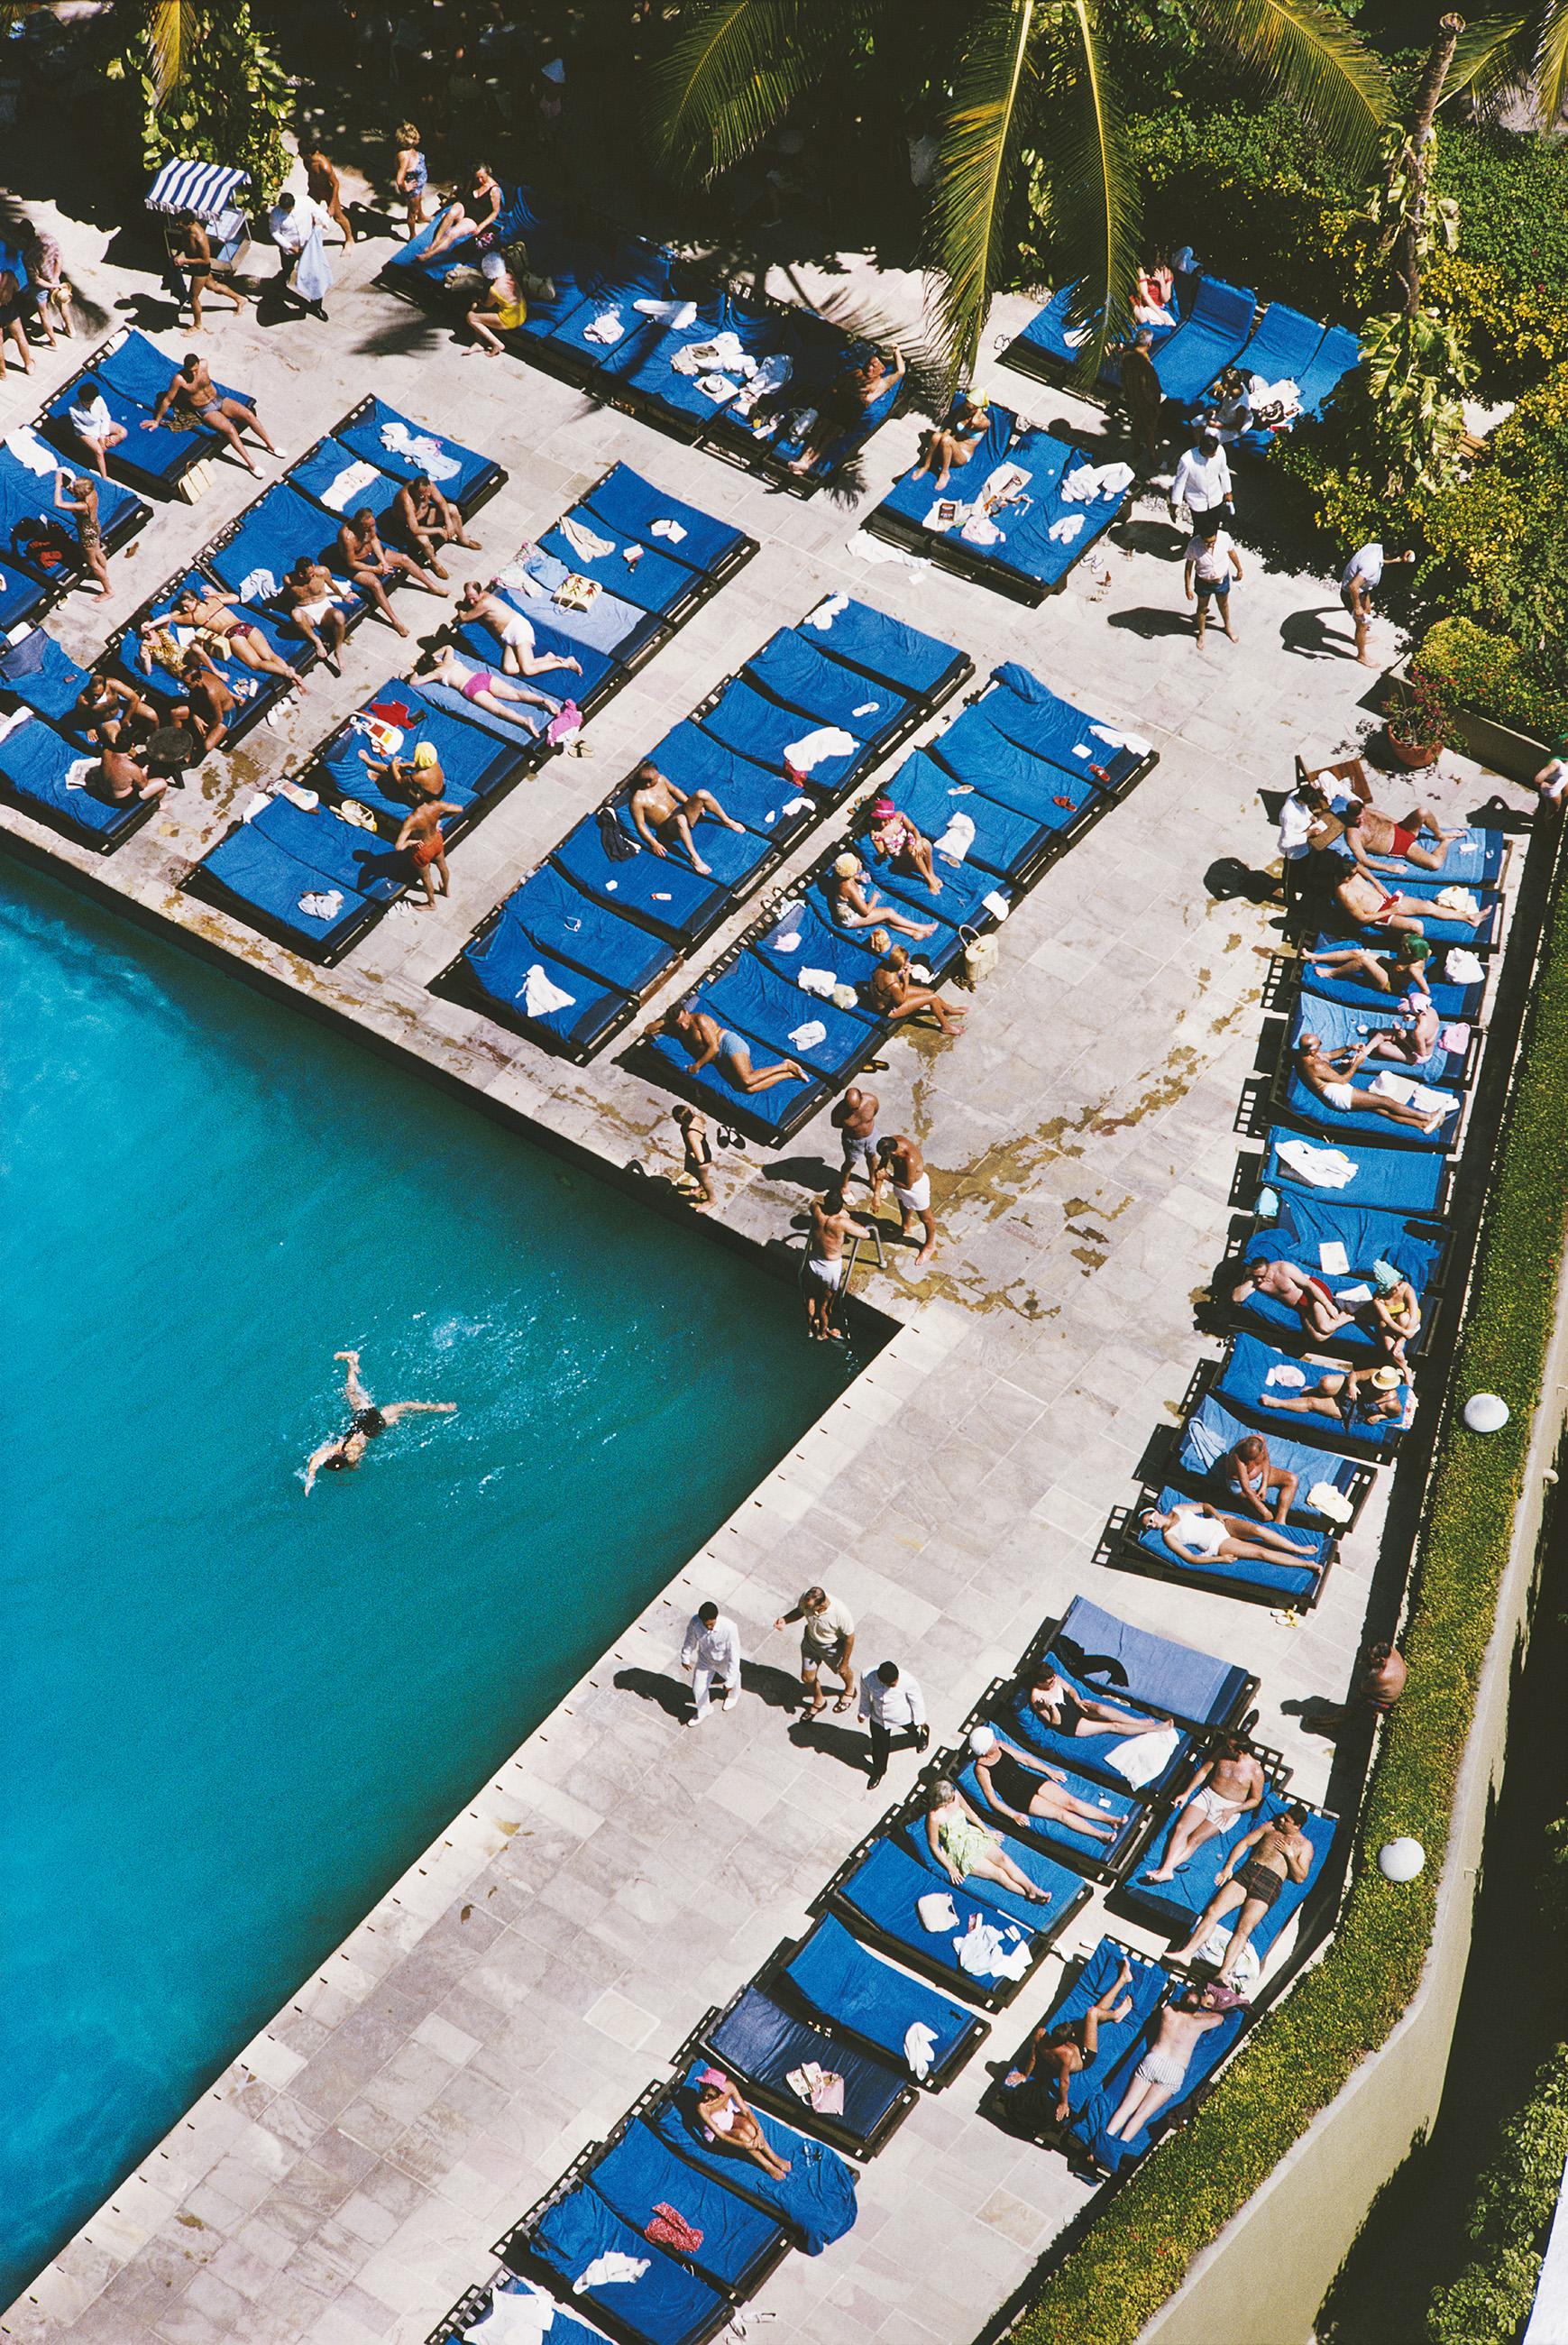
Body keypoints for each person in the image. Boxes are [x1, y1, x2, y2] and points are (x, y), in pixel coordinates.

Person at [1171, 1807, 1315, 1981]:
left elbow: (1300, 1877)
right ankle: (1186, 1954)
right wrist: (1229, 1867)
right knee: (1213, 1911)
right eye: (1282, 1817)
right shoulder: (1270, 1827)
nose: (1281, 1821)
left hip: (1270, 1882)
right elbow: (1245, 1843)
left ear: (1297, 1826)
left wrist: (1290, 1855)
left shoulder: (1305, 1846)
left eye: (1287, 1821)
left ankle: (1223, 1973)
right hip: (1249, 1872)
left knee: (1244, 1929)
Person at [303, 1348, 456, 1493]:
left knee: (398, 1411)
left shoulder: (351, 1461)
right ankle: (351, 1359)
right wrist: (310, 1477)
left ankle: (353, 1361)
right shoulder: (339, 1448)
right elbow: (316, 1459)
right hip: (364, 1418)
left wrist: (337, 1479)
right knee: (352, 1389)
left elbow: (345, 1464)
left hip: (376, 1428)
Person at [1003, 1958, 1135, 2119]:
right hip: (1086, 2056)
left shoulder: (1040, 2035)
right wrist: (1063, 2103)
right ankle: (1116, 2014)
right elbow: (1064, 2082)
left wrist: (1025, 2074)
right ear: (1068, 2040)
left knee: (1093, 2014)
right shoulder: (1066, 2054)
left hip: (1074, 2049)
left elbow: (1033, 2057)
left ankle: (1123, 1980)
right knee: (1092, 2013)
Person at [1103, 1984, 1237, 2140]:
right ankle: (1113, 2149)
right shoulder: (1198, 2024)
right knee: (1141, 2115)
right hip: (1174, 2069)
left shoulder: (1168, 2012)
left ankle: (1101, 2142)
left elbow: (1175, 2003)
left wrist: (1187, 2007)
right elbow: (1219, 2018)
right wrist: (1200, 2009)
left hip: (1154, 2059)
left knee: (1126, 2107)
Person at [967, 1724, 1122, 1846]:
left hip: (1030, 1779)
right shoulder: (981, 1769)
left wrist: (1049, 1771)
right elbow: (992, 1799)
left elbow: (1026, 1759)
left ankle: (1111, 1820)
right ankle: (1101, 1835)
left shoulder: (1001, 1745)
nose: (995, 1740)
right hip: (1018, 1797)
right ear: (985, 1750)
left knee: (1071, 1802)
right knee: (1061, 1814)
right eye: (991, 1741)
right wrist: (1013, 1815)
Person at [1142, 1739, 1264, 1882]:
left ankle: (1165, 1870)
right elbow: (1204, 1771)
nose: (1225, 1748)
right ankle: (1166, 1870)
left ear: (1240, 1752)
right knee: (1181, 1828)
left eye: (1229, 1747)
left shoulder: (1256, 1771)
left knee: (1195, 1839)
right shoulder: (1222, 1753)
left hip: (1229, 1806)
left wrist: (1233, 1810)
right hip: (1208, 1795)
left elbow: (1255, 1800)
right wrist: (1186, 1793)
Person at [144, 354, 280, 478]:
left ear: (199, 364)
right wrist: (157, 420)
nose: (193, 373)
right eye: (190, 371)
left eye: (195, 370)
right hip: (205, 409)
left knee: (249, 415)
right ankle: (251, 465)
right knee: (230, 430)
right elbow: (167, 400)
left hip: (218, 399)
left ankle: (271, 446)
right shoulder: (179, 379)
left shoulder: (204, 364)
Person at [1295, 1031, 1456, 1135]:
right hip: (1341, 1094)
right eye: (1318, 1045)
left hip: (1338, 1093)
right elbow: (1343, 1080)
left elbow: (1328, 1055)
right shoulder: (1315, 1065)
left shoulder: (1307, 1056)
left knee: (1381, 1109)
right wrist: (1356, 1064)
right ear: (1311, 1051)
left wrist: (1349, 1047)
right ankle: (1427, 1117)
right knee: (1385, 1101)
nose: (1321, 1046)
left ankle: (1421, 1126)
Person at [645, 1003, 807, 1103]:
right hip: (720, 1059)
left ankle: (785, 1065)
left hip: (728, 1044)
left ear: (687, 1013)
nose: (683, 1026)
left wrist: (697, 1066)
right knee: (746, 1088)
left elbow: (714, 1048)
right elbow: (648, 1029)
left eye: (684, 1021)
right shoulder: (676, 1026)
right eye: (679, 1024)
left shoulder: (700, 1020)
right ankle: (789, 1074)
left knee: (747, 1078)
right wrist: (667, 1022)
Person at [924, 1780, 1053, 1903]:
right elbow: (933, 1845)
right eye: (949, 1800)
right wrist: (951, 1868)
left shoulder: (956, 1796)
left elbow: (971, 1814)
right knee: (998, 1874)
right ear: (942, 1803)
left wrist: (987, 1831)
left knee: (1004, 1860)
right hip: (959, 1851)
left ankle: (1032, 1889)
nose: (953, 1800)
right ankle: (1029, 1896)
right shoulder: (934, 1817)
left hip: (972, 1836)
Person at [788, 347, 905, 476]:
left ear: (882, 370)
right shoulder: (855, 373)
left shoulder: (880, 384)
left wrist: (897, 351)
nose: (869, 368)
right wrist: (822, 403)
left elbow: (901, 371)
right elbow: (835, 386)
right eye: (869, 364)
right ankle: (803, 459)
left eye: (874, 366)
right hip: (838, 401)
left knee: (829, 437)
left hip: (852, 409)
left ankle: (809, 463)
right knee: (817, 431)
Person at [624, 759, 749, 876]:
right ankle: (695, 858)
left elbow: (675, 790)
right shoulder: (638, 800)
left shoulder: (661, 780)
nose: (659, 776)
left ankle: (727, 821)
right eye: (656, 777)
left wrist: (694, 803)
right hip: (670, 826)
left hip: (681, 812)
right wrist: (654, 843)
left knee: (702, 793)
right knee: (680, 820)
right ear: (647, 783)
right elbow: (640, 824)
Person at [170, 587, 306, 689]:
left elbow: (174, 618)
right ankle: (291, 675)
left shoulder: (194, 617)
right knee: (270, 655)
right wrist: (215, 593)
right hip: (244, 626)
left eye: (187, 606)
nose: (186, 610)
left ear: (195, 600)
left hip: (232, 634)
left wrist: (177, 610)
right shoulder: (213, 600)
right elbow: (236, 598)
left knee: (255, 664)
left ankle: (288, 674)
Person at [1140, 1500, 1323, 1575]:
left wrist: (1219, 1516)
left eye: (1151, 1519)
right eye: (1148, 1525)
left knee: (1259, 1531)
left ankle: (1299, 1549)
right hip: (1217, 1543)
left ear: (1156, 1512)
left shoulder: (1178, 1508)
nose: (1151, 1524)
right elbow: (1191, 1558)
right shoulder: (1169, 1536)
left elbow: (1204, 1506)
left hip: (1222, 1525)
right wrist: (1220, 1558)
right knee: (1262, 1553)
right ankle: (1307, 1564)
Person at [338, 508, 444, 633]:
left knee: (405, 559)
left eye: (373, 524)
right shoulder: (348, 537)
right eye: (369, 526)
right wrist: (375, 569)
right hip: (357, 564)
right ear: (361, 525)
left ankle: (432, 586)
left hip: (372, 554)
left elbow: (374, 539)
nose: (372, 527)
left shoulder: (369, 524)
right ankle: (395, 620)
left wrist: (383, 561)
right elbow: (351, 563)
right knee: (376, 585)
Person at [456, 582, 582, 681]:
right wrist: (468, 601)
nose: (472, 602)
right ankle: (548, 658)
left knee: (528, 669)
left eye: (474, 598)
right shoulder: (481, 597)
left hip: (518, 629)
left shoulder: (485, 602)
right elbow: (470, 603)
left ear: (480, 592)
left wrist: (460, 608)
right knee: (509, 669)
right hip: (508, 636)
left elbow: (464, 617)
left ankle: (566, 663)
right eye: (469, 599)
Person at [421, 645, 559, 729]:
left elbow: (414, 682)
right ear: (436, 661)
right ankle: (543, 700)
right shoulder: (448, 660)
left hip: (470, 688)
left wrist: (416, 671)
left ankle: (524, 721)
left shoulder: (436, 673)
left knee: (499, 710)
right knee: (516, 693)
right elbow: (448, 647)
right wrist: (434, 654)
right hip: (480, 677)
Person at [1265, 1359, 1413, 1435]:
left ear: (1387, 1390)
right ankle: (1317, 1390)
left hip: (1353, 1408)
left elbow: (1396, 1415)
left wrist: (1379, 1417)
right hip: (1349, 1390)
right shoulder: (1374, 1373)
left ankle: (1278, 1403)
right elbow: (1355, 1375)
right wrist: (1352, 1386)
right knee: (1325, 1383)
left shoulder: (1392, 1404)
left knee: (1313, 1403)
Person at [774, 1585, 857, 1715]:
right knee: (807, 1678)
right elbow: (799, 1611)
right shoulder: (807, 1597)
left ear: (822, 1606)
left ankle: (850, 1690)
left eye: (809, 1608)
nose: (806, 1609)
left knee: (843, 1671)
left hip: (831, 1647)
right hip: (810, 1643)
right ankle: (819, 1701)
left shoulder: (840, 1613)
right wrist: (785, 1620)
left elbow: (850, 1638)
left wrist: (845, 1663)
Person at [1025, 1672, 1170, 1744]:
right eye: (1049, 1683)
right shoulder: (1037, 1698)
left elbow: (1069, 1689)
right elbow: (1055, 1722)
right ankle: (1155, 1728)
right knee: (1112, 1726)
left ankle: (1137, 1722)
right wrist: (1051, 1707)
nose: (1053, 1683)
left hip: (1076, 1708)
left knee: (1101, 1709)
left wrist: (1077, 1700)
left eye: (1053, 1680)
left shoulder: (1054, 1678)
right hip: (1071, 1725)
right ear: (1039, 1683)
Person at [802, 1185, 869, 1340]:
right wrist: (845, 1216)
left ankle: (811, 1328)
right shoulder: (841, 1222)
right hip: (830, 1266)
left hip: (814, 1261)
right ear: (840, 1207)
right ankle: (822, 1333)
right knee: (824, 1305)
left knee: (810, 1297)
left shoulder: (817, 1211)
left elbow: (813, 1201)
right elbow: (865, 1234)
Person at [1338, 795, 1467, 875]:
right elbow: (1363, 860)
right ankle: (1446, 842)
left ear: (1364, 810)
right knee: (1435, 864)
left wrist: (1399, 824)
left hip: (1400, 828)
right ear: (1350, 817)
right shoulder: (1352, 834)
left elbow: (1382, 816)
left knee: (1423, 811)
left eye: (1362, 817)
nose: (1361, 821)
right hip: (1400, 847)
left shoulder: (1367, 812)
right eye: (1356, 820)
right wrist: (1389, 868)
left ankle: (1440, 835)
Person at [1235, 1256, 1353, 1343]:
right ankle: (1345, 1317)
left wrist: (1328, 1305)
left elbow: (1309, 1285)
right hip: (1301, 1306)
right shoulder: (1256, 1282)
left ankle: (1350, 1315)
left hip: (1312, 1295)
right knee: (1319, 1337)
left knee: (1324, 1327)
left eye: (1262, 1276)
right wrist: (1251, 1280)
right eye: (1257, 1276)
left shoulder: (1284, 1268)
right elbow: (1236, 1297)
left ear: (1269, 1268)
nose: (1260, 1280)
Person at [694, 2073, 791, 2179]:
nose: (705, 2097)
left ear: (721, 2092)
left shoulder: (729, 2087)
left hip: (730, 2119)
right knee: (741, 2135)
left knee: (749, 2127)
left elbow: (746, 2111)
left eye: (711, 2096)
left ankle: (775, 2158)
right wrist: (745, 2146)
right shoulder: (702, 2107)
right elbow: (722, 2135)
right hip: (716, 2137)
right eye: (703, 2091)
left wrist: (759, 2131)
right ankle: (767, 2166)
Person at [826, 852, 938, 943]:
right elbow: (865, 912)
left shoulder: (843, 877)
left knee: (883, 919)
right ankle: (921, 927)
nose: (860, 861)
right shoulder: (849, 888)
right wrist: (874, 898)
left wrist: (859, 877)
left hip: (850, 911)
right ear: (852, 870)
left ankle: (914, 934)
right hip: (850, 919)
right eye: (857, 862)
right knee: (888, 913)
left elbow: (851, 877)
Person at [1340, 543, 1415, 666]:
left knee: (1368, 612)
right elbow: (1353, 586)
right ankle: (1361, 656)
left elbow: (1383, 560)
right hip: (1352, 594)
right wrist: (1357, 607)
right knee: (1362, 625)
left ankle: (1360, 639)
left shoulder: (1375, 547)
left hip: (1363, 590)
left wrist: (1400, 559)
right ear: (1387, 554)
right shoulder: (1371, 566)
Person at [168, 210, 245, 327]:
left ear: (190, 223)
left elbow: (206, 260)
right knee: (213, 286)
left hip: (201, 268)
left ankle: (197, 325)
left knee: (193, 298)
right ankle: (240, 299)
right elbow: (184, 244)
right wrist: (179, 254)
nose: (178, 225)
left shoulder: (199, 237)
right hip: (194, 265)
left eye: (181, 224)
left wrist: (185, 261)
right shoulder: (186, 229)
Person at [866, 946, 966, 1036]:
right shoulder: (893, 984)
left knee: (928, 992)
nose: (909, 963)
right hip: (889, 1009)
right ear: (901, 966)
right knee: (932, 998)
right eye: (906, 962)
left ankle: (948, 1010)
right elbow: (901, 1001)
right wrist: (906, 981)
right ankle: (946, 1027)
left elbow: (880, 983)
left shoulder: (883, 967)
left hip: (886, 995)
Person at [871, 1133, 939, 1266]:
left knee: (926, 1218)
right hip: (899, 1182)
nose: (886, 1159)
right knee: (903, 1204)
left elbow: (908, 1185)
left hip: (915, 1187)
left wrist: (887, 1177)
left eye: (888, 1157)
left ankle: (930, 1245)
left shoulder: (909, 1159)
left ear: (894, 1153)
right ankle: (905, 1227)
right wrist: (876, 1195)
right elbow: (881, 1168)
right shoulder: (891, 1143)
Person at [859, 1659, 928, 1789]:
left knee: (916, 1729)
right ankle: (879, 1771)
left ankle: (922, 1736)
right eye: (892, 1684)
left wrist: (920, 1720)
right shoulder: (867, 1676)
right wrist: (863, 1712)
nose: (896, 1683)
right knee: (879, 1748)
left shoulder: (907, 1679)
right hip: (879, 1718)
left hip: (901, 1714)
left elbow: (916, 1699)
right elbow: (865, 1695)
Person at [395, 475, 480, 576]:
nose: (427, 495)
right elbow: (415, 529)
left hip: (426, 516)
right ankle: (434, 563)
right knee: (424, 541)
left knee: (453, 509)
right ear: (415, 490)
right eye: (422, 494)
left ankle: (462, 539)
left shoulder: (429, 486)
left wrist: (448, 521)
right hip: (409, 526)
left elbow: (441, 502)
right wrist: (438, 530)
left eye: (427, 491)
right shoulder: (407, 500)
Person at [1302, 933, 1435, 997]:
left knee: (1364, 961)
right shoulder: (1425, 951)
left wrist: (1411, 1001)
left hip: (1389, 983)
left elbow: (1426, 991)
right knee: (1357, 953)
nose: (1399, 948)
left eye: (1402, 947)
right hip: (1390, 965)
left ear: (1409, 953)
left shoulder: (1413, 969)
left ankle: (1331, 973)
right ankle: (1316, 957)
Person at [910, 385, 989, 491]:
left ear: (978, 409)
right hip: (949, 448)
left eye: (970, 409)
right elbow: (951, 428)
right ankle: (926, 466)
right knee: (936, 436)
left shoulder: (985, 422)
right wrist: (943, 435)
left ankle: (945, 473)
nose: (966, 410)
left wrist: (980, 411)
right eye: (966, 406)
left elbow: (974, 423)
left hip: (962, 456)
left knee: (946, 440)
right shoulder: (962, 411)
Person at [268, 190, 334, 317]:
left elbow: (319, 213)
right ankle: (282, 284)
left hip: (308, 249)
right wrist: (289, 246)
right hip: (290, 250)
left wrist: (322, 223)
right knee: (287, 269)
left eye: (290, 209)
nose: (288, 212)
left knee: (315, 276)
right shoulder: (275, 215)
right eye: (285, 210)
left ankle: (316, 306)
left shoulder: (305, 202)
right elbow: (275, 232)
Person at [1183, 517, 1244, 648]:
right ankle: (1201, 633)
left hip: (1222, 581)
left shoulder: (1224, 537)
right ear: (1201, 537)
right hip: (1203, 582)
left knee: (1224, 605)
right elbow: (1188, 566)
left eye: (1213, 542)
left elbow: (1232, 553)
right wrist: (1187, 587)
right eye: (1207, 543)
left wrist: (1239, 569)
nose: (1210, 545)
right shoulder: (1194, 544)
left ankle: (1227, 628)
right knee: (1202, 608)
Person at [282, 558, 352, 666]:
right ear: (301, 574)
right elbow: (285, 593)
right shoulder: (289, 580)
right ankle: (317, 642)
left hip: (323, 608)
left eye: (313, 570)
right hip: (305, 611)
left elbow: (332, 585)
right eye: (310, 573)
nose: (313, 574)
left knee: (339, 616)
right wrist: (275, 601)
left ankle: (338, 650)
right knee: (295, 614)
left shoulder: (322, 572)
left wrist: (343, 596)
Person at [680, 1601, 740, 1724]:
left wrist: (729, 1681)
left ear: (716, 1618)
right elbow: (690, 1639)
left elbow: (735, 1655)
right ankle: (704, 1710)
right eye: (706, 1625)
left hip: (723, 1659)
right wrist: (685, 1656)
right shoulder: (695, 1622)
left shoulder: (730, 1627)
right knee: (698, 1688)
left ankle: (734, 1695)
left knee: (733, 1679)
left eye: (711, 1625)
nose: (709, 1628)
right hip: (705, 1660)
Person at [867, 795, 942, 893]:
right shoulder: (876, 832)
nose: (883, 824)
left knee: (925, 842)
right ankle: (928, 880)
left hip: (911, 846)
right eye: (880, 820)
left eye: (886, 820)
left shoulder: (899, 816)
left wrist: (918, 842)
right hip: (901, 859)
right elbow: (883, 855)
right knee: (912, 850)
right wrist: (881, 841)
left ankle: (931, 873)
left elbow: (913, 829)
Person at [395, 795, 461, 906]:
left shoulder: (412, 820)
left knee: (426, 877)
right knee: (442, 865)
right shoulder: (435, 806)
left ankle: (431, 903)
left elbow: (399, 847)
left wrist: (410, 842)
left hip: (422, 850)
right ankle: (446, 890)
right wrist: (439, 819)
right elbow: (458, 810)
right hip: (436, 840)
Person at [1223, 1431, 1298, 1525]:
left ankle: (1280, 1521)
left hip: (1260, 1476)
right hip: (1241, 1487)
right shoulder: (1237, 1457)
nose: (1249, 1462)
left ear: (1261, 1450)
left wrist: (1264, 1485)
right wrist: (1264, 1511)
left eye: (1253, 1459)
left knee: (1292, 1479)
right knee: (1265, 1516)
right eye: (1247, 1459)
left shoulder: (1260, 1441)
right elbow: (1246, 1488)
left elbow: (1266, 1460)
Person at [52, 473, 109, 595]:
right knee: (98, 551)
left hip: (87, 534)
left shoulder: (83, 506)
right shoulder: (92, 493)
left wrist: (58, 485)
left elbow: (58, 504)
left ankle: (108, 590)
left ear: (79, 494)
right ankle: (103, 573)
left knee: (92, 563)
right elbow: (76, 490)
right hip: (94, 526)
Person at [1169, 427, 1233, 529]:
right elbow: (1180, 482)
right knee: (1200, 528)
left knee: (1214, 525)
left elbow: (1224, 470)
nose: (1215, 454)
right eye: (1212, 453)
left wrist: (1228, 491)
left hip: (1215, 497)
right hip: (1197, 500)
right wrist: (1175, 503)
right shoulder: (1187, 460)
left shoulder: (1220, 451)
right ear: (1204, 450)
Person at [465, 251, 527, 354]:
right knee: (476, 309)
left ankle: (497, 344)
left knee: (471, 316)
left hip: (508, 320)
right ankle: (479, 343)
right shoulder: (509, 274)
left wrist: (477, 300)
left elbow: (487, 305)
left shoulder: (494, 289)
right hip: (522, 313)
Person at [69, 667, 152, 746]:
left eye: (98, 695)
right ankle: (134, 755)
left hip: (121, 708)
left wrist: (127, 718)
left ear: (105, 687)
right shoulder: (84, 700)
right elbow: (81, 715)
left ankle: (154, 739)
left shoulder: (113, 684)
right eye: (93, 694)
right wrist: (90, 728)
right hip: (107, 720)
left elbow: (134, 698)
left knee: (152, 715)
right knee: (116, 741)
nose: (95, 697)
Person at [1120, 330, 1163, 476]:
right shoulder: (1144, 364)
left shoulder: (1126, 357)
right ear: (1149, 344)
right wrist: (1154, 405)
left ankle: (1137, 448)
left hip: (1133, 399)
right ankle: (1153, 459)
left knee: (1137, 423)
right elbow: (1146, 387)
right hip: (1145, 402)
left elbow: (1124, 379)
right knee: (1149, 430)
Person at [1361, 1258, 1421, 1363]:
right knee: (1390, 1348)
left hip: (1408, 1319)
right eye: (1393, 1287)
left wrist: (1402, 1339)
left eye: (1398, 1283)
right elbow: (1387, 1320)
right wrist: (1404, 1332)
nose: (1398, 1288)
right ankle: (1405, 1368)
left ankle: (1400, 1346)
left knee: (1403, 1318)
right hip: (1390, 1324)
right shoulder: (1378, 1300)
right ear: (1385, 1290)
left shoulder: (1406, 1288)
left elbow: (1414, 1313)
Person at [360, 737, 445, 806]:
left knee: (393, 773)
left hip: (424, 799)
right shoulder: (433, 762)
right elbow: (417, 765)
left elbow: (399, 780)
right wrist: (402, 765)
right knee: (398, 769)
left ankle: (373, 768)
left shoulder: (420, 776)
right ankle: (380, 770)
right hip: (438, 792)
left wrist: (393, 765)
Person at [180, 647, 238, 749]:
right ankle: (178, 742)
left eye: (188, 683)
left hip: (226, 713)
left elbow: (218, 718)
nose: (185, 685)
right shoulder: (198, 678)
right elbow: (194, 699)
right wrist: (195, 716)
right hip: (206, 708)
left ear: (197, 681)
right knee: (175, 713)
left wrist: (206, 731)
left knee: (207, 745)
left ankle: (193, 758)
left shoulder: (211, 693)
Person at [302, 138, 355, 243]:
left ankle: (349, 239)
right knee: (308, 214)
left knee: (338, 217)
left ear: (308, 154)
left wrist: (332, 205)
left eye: (301, 152)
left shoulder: (324, 166)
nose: (299, 153)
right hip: (314, 190)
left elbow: (336, 184)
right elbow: (311, 174)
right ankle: (309, 239)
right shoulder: (306, 160)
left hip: (327, 192)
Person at [67, 386, 126, 479]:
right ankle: (104, 478)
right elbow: (82, 428)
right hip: (86, 433)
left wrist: (103, 436)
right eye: (87, 403)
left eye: (91, 402)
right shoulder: (73, 410)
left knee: (123, 432)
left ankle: (107, 441)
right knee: (99, 451)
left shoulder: (99, 399)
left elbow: (106, 416)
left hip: (99, 425)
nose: (90, 405)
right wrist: (98, 439)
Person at [23, 225, 69, 342]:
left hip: (40, 287)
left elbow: (36, 280)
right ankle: (70, 329)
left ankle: (53, 342)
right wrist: (55, 279)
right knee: (62, 304)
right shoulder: (49, 239)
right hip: (54, 277)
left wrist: (52, 285)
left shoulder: (27, 256)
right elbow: (59, 259)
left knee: (43, 313)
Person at [831, 1085, 881, 1191]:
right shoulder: (840, 1111)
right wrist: (852, 1129)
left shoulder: (871, 1100)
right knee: (850, 1163)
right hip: (853, 1141)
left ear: (861, 1098)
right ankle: (844, 1186)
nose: (852, 1111)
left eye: (855, 1108)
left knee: (872, 1158)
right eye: (850, 1108)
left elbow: (875, 1111)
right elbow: (835, 1123)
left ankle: (872, 1179)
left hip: (871, 1136)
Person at [96, 740, 169, 806]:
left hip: (104, 790)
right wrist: (143, 773)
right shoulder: (130, 767)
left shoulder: (106, 752)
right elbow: (143, 786)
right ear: (131, 746)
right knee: (162, 783)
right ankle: (156, 806)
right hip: (121, 800)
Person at [671, 1102, 715, 1209]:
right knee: (690, 1170)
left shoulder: (692, 1135)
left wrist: (691, 1153)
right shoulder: (696, 1119)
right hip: (700, 1149)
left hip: (701, 1160)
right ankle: (700, 1187)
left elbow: (700, 1159)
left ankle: (712, 1200)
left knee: (704, 1179)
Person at [393, 123, 432, 236]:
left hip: (418, 185)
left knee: (419, 200)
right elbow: (399, 179)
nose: (417, 140)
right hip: (412, 189)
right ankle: (412, 235)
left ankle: (421, 217)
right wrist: (405, 186)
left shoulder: (410, 149)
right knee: (412, 212)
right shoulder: (404, 156)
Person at [1531, 729, 1568, 809]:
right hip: (1554, 786)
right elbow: (1538, 779)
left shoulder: (1562, 738)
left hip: (1558, 784)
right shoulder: (1557, 761)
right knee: (1550, 810)